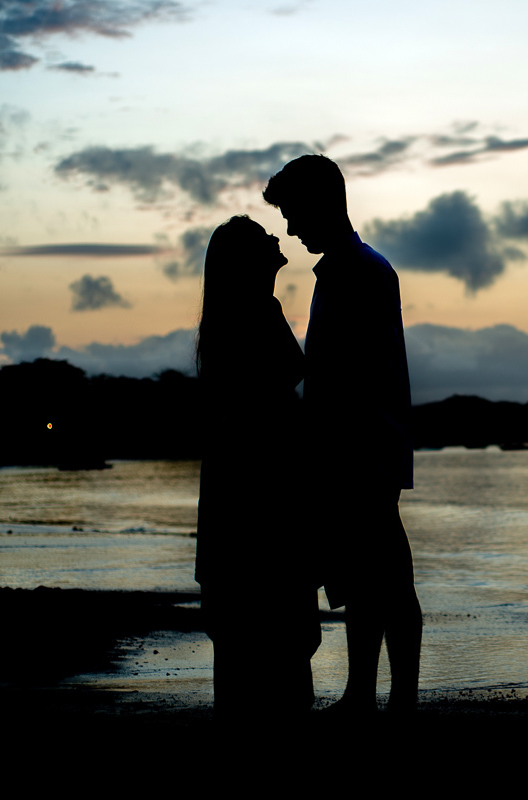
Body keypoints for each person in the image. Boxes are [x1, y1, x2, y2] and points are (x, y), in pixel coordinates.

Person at [263, 154, 422, 714]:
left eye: (292, 213)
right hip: (357, 449)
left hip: (365, 451)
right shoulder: (343, 271)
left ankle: (394, 697)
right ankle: (367, 693)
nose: (289, 227)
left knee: (387, 579)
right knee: (367, 579)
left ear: (320, 204)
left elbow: (359, 380)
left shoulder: (360, 272)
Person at [195, 215, 319, 731]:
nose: (277, 238)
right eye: (264, 237)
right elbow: (290, 370)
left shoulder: (231, 315)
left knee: (248, 619)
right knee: (272, 611)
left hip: (242, 481)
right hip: (261, 482)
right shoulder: (254, 311)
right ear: (249, 261)